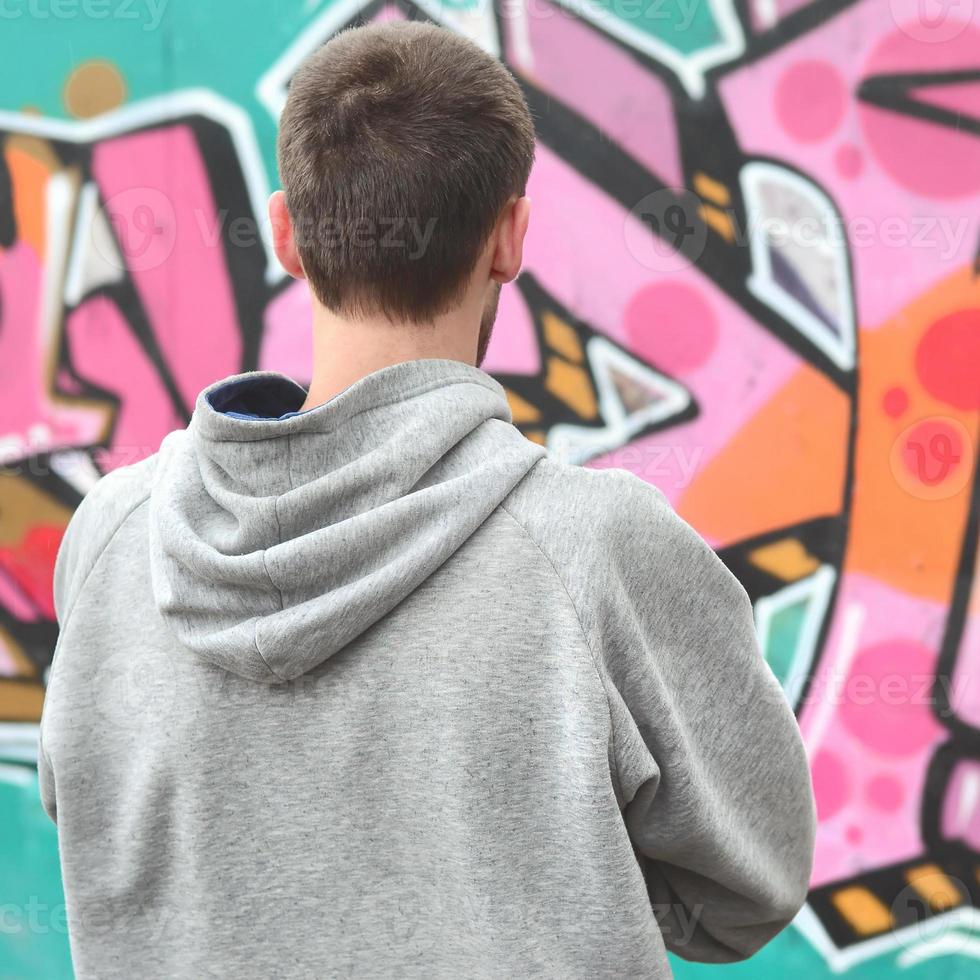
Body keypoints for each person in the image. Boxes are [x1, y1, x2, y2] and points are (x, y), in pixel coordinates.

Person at [40, 21, 815, 980]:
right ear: (509, 238)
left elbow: (94, 825)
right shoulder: (596, 550)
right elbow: (750, 888)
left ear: (284, 232)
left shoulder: (113, 538)